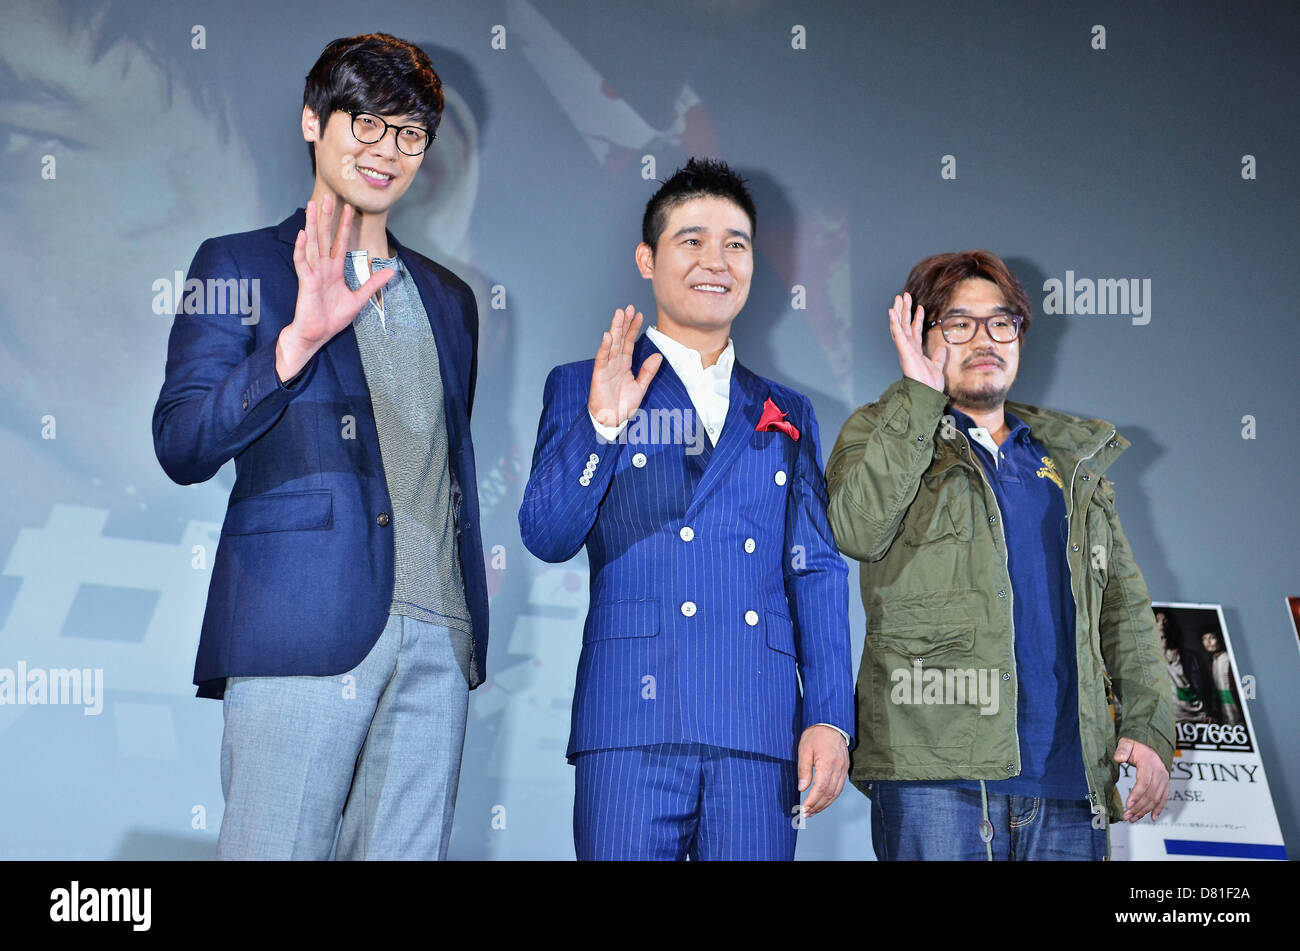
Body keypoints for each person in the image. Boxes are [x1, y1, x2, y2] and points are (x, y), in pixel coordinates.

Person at [152, 33, 488, 860]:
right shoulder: (236, 264)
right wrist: (292, 348)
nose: (387, 151)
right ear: (313, 121)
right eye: (367, 123)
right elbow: (182, 440)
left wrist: (455, 632)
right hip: (301, 624)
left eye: (410, 134)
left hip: (436, 636)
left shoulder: (449, 299)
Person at [518, 158, 854, 860]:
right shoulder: (585, 382)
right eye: (691, 240)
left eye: (735, 243)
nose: (716, 261)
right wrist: (603, 428)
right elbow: (547, 534)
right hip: (632, 721)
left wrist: (828, 716)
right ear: (648, 258)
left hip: (756, 725)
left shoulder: (786, 410)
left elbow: (816, 571)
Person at [826, 250, 1173, 860]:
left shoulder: (1073, 458)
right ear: (919, 333)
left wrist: (1148, 728)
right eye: (958, 324)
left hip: (1069, 783)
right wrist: (916, 398)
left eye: (1001, 321)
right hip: (937, 779)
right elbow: (855, 528)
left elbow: (1124, 609)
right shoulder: (881, 431)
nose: (984, 339)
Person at [1155, 610, 1218, 725]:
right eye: (1157, 621)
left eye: (1165, 621)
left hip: (1198, 719)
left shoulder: (1190, 657)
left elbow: (1207, 686)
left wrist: (1210, 713)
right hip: (1169, 724)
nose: (1161, 625)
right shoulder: (1145, 660)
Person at [1201, 629, 1243, 726]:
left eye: (1212, 637)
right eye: (1204, 639)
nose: (1208, 642)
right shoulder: (1211, 663)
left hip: (1238, 713)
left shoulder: (1231, 659)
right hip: (1224, 717)